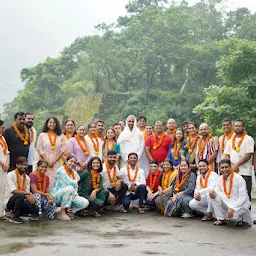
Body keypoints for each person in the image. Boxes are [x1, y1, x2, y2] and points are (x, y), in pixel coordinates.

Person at [208, 159, 252, 226]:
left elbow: (243, 197)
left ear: (230, 167)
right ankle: (220, 219)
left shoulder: (238, 178)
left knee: (233, 218)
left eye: (226, 167)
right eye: (222, 167)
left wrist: (233, 208)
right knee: (213, 194)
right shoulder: (220, 179)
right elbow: (217, 191)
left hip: (241, 204)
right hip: (228, 202)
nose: (224, 169)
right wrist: (212, 191)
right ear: (219, 169)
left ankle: (241, 217)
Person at [51, 155, 89, 220]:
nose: (73, 164)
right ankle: (62, 212)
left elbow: (76, 186)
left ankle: (68, 211)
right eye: (71, 161)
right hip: (57, 196)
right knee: (70, 188)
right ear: (66, 161)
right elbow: (70, 183)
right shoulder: (60, 170)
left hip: (70, 195)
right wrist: (77, 180)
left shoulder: (74, 173)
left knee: (85, 202)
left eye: (74, 162)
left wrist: (75, 194)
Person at [224, 120, 254, 201]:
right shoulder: (230, 140)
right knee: (234, 194)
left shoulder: (248, 139)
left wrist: (236, 165)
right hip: (233, 171)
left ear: (244, 127)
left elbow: (248, 155)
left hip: (245, 172)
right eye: (236, 126)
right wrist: (231, 166)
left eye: (239, 126)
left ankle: (246, 213)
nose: (237, 127)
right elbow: (226, 154)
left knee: (245, 194)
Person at [4, 157, 39, 224]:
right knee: (21, 195)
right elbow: (14, 190)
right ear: (17, 165)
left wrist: (31, 198)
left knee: (35, 207)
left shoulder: (27, 178)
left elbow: (27, 192)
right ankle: (14, 216)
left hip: (21, 201)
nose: (23, 167)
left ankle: (27, 214)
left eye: (25, 165)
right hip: (9, 202)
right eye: (21, 165)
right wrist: (28, 194)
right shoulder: (10, 175)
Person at [37, 117, 66, 187]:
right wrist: (47, 161)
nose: (52, 124)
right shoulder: (42, 135)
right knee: (44, 180)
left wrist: (54, 161)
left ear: (56, 124)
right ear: (47, 124)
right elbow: (39, 149)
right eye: (50, 122)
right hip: (44, 162)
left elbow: (62, 150)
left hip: (56, 162)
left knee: (56, 180)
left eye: (54, 122)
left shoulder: (60, 136)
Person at [0, 120, 10, 219]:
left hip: (3, 169)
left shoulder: (2, 138)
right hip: (1, 166)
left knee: (2, 189)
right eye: (2, 127)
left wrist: (7, 163)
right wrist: (3, 164)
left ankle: (1, 212)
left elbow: (7, 152)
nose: (4, 129)